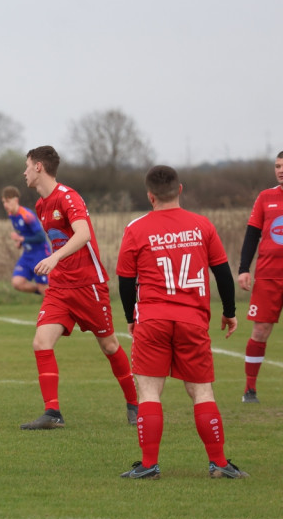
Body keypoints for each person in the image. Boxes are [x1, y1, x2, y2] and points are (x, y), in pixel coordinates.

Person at [116, 165, 247, 479]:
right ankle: (219, 464)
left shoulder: (136, 228)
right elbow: (223, 274)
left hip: (153, 320)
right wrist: (229, 312)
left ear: (150, 196)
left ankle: (149, 466)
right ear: (180, 189)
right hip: (193, 320)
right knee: (202, 392)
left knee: (149, 391)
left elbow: (124, 281)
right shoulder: (202, 225)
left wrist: (130, 317)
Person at [20, 145, 138, 429]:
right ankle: (52, 413)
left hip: (89, 285)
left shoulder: (68, 197)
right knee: (41, 342)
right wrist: (54, 261)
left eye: (26, 166)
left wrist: (54, 257)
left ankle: (136, 403)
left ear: (39, 167)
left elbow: (83, 233)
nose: (24, 172)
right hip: (60, 287)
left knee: (109, 346)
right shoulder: (39, 205)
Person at [236, 151, 283, 403]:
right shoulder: (266, 197)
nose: (280, 170)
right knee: (261, 330)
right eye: (277, 166)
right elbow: (252, 235)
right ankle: (250, 389)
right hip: (268, 276)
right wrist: (244, 268)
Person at [1, 185, 51, 295]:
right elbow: (26, 234)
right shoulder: (11, 215)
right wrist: (21, 242)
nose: (5, 205)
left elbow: (41, 237)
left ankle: (53, 298)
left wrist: (21, 238)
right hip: (27, 254)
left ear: (16, 200)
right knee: (17, 282)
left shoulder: (27, 215)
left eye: (8, 201)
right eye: (4, 202)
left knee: (44, 289)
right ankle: (45, 290)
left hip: (40, 254)